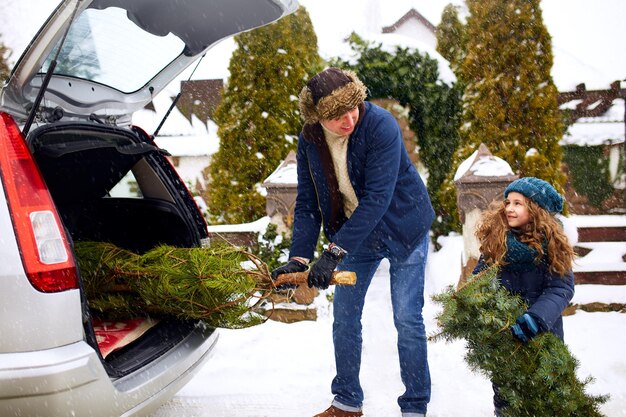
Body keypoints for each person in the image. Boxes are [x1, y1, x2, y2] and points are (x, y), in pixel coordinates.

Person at [271, 67, 434, 417]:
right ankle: (347, 402)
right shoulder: (310, 140)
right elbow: (307, 202)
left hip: (405, 227)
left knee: (407, 318)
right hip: (357, 234)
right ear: (317, 117)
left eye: (353, 109)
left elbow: (376, 199)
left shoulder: (381, 126)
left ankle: (415, 407)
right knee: (344, 316)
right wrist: (299, 258)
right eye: (336, 115)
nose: (349, 119)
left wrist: (333, 251)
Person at [472, 177, 575, 417]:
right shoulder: (497, 240)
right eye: (508, 202)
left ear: (536, 208)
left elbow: (561, 288)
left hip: (543, 334)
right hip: (505, 336)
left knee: (546, 396)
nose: (509, 208)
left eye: (518, 203)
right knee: (507, 395)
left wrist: (535, 318)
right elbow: (480, 280)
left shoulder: (552, 244)